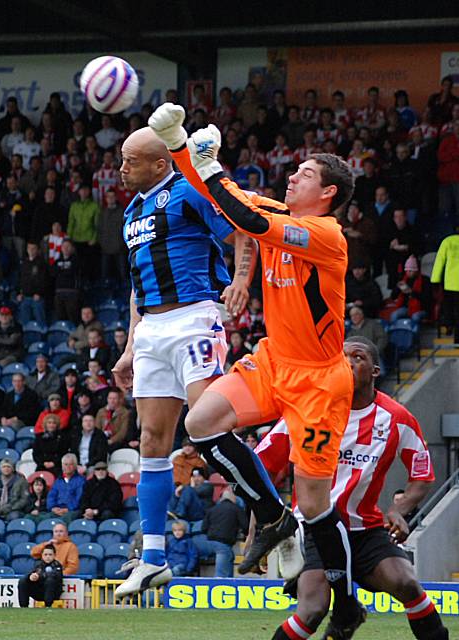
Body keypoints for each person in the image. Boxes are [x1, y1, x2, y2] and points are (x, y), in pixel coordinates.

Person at [149, 104, 360, 619]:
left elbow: (242, 215)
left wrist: (213, 162)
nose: (293, 177)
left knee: (314, 501)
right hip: (272, 362)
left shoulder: (327, 237)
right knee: (200, 423)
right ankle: (269, 514)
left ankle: (345, 598)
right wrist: (179, 143)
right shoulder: (284, 215)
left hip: (318, 381)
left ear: (328, 193)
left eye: (305, 174)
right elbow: (215, 199)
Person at [112, 125, 255, 597]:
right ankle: (153, 558)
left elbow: (240, 232)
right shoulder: (132, 212)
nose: (121, 167)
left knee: (205, 425)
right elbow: (137, 286)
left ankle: (273, 514)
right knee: (151, 439)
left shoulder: (188, 192)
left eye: (130, 160)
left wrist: (239, 281)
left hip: (195, 316)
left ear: (159, 163)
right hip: (152, 328)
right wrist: (132, 345)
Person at [256, 337, 448, 640]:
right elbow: (261, 469)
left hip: (365, 530)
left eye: (356, 357)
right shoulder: (307, 413)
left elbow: (422, 475)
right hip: (315, 530)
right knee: (312, 609)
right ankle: (346, 618)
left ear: (374, 370)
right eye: (340, 358)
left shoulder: (397, 418)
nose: (346, 363)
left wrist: (399, 509)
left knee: (407, 583)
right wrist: (261, 531)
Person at [201, 489, 248, 578]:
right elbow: (245, 526)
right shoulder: (236, 509)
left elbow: (203, 528)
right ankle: (220, 586)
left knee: (230, 555)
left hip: (207, 542)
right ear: (233, 499)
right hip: (223, 543)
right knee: (221, 575)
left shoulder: (212, 509)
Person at [431, 230, 459, 343]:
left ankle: (449, 327)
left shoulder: (448, 241)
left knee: (449, 308)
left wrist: (435, 280)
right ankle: (457, 338)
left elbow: (439, 261)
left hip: (450, 283)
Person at [0, 458, 30, 522]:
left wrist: (10, 508)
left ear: (13, 469)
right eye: (4, 467)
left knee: (14, 517)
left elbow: (24, 500)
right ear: (0, 469)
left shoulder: (21, 482)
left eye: (8, 467)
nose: (6, 469)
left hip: (13, 510)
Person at [18, 543, 64, 608]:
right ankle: (23, 606)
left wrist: (39, 576)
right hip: (39, 591)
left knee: (50, 580)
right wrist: (31, 577)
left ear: (54, 556)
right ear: (42, 555)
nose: (48, 557)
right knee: (23, 580)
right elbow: (32, 572)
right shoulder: (38, 564)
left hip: (53, 593)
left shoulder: (57, 565)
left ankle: (48, 606)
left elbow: (56, 575)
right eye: (45, 555)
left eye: (50, 555)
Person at [46, 453, 86, 523]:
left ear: (75, 466)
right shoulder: (58, 481)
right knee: (46, 519)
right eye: (65, 464)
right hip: (57, 509)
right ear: (62, 466)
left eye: (71, 464)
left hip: (72, 511)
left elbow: (79, 498)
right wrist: (53, 508)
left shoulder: (81, 481)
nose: (68, 467)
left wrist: (67, 509)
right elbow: (51, 496)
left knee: (65, 519)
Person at [17, 240, 49, 326]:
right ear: (27, 250)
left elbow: (45, 280)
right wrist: (18, 293)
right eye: (29, 248)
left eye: (33, 248)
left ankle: (42, 338)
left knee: (41, 323)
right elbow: (19, 279)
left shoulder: (42, 263)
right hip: (25, 297)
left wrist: (39, 293)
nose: (31, 250)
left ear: (38, 250)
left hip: (37, 297)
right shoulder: (23, 263)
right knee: (24, 324)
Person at [94, 387, 130, 452]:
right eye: (110, 398)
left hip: (116, 442)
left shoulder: (125, 413)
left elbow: (123, 432)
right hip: (101, 440)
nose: (112, 401)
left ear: (119, 399)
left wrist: (111, 441)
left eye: (114, 398)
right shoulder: (101, 411)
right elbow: (97, 428)